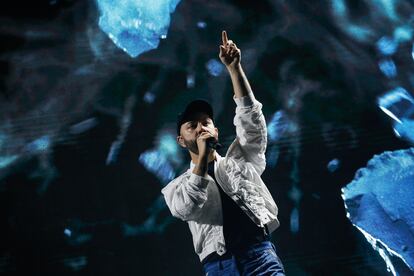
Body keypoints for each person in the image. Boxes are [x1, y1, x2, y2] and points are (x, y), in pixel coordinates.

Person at [161, 31, 285, 275]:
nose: (200, 128)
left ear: (215, 130)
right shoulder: (176, 188)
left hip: (259, 254)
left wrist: (234, 68)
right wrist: (201, 164)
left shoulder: (240, 161)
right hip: (219, 266)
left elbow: (251, 121)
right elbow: (188, 207)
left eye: (205, 123)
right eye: (191, 126)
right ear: (180, 140)